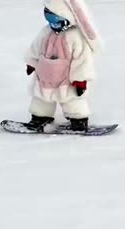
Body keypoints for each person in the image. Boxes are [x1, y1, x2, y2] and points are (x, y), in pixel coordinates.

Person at [23, 0, 102, 131]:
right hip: (45, 77)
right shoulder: (46, 32)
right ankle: (40, 117)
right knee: (41, 99)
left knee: (72, 100)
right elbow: (35, 48)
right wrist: (31, 62)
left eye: (56, 20)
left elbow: (82, 60)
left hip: (66, 79)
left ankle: (79, 120)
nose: (52, 24)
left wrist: (80, 80)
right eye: (48, 19)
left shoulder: (75, 37)